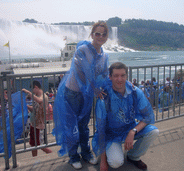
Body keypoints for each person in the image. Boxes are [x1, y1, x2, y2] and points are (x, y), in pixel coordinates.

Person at [53, 21, 109, 169]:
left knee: (83, 126)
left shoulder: (104, 56)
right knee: (72, 126)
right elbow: (81, 73)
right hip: (73, 92)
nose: (100, 36)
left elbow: (104, 74)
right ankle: (73, 157)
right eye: (97, 33)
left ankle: (86, 153)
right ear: (92, 34)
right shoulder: (83, 50)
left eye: (104, 34)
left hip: (88, 95)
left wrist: (112, 86)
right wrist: (95, 88)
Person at [92, 62, 159, 171]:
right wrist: (103, 162)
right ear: (110, 77)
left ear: (127, 76)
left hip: (129, 128)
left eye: (123, 75)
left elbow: (147, 116)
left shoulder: (135, 92)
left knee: (154, 132)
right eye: (116, 76)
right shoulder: (104, 98)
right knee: (115, 163)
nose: (119, 79)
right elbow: (101, 130)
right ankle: (106, 153)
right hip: (111, 134)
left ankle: (133, 156)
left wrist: (133, 131)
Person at [22, 80, 52, 157]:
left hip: (39, 126)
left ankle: (52, 155)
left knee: (41, 146)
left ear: (36, 87)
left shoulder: (44, 96)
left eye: (33, 90)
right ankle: (34, 159)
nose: (33, 92)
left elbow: (40, 101)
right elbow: (34, 109)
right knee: (33, 144)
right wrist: (26, 106)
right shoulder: (37, 97)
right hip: (34, 124)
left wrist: (28, 92)